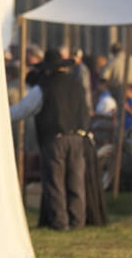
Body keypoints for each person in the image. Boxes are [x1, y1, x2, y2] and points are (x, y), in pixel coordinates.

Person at [10, 48, 92, 229]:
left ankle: (60, 222)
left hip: (55, 138)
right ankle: (78, 220)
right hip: (77, 137)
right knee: (76, 181)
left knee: (55, 182)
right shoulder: (77, 84)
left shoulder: (44, 86)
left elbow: (23, 109)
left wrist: (3, 113)